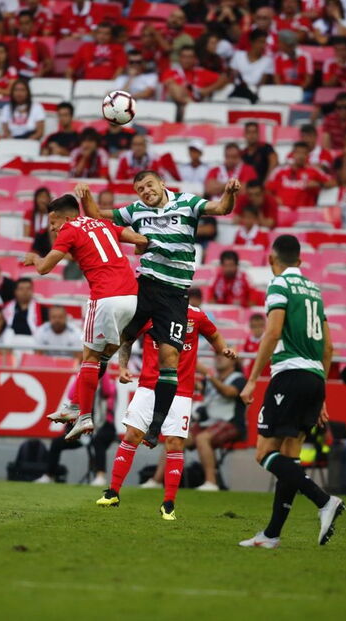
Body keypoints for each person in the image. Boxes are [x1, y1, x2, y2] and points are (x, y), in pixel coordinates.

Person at [84, 171, 240, 447]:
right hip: (145, 286)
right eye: (140, 189)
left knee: (170, 358)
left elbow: (221, 209)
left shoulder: (187, 203)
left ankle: (155, 426)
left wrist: (229, 193)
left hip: (175, 295)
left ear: (162, 183)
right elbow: (97, 214)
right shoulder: (135, 210)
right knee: (115, 339)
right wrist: (85, 195)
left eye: (149, 185)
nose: (145, 191)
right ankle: (83, 400)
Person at [237, 234, 344, 547]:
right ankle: (272, 535)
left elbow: (272, 333)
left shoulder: (279, 284)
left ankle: (324, 501)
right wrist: (321, 394)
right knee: (289, 455)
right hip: (314, 378)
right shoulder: (314, 290)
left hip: (289, 375)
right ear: (300, 259)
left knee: (263, 453)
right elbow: (329, 346)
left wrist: (252, 379)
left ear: (272, 259)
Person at [99, 305, 237, 520]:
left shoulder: (196, 315)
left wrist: (224, 349)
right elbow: (127, 340)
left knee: (174, 443)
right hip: (148, 387)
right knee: (132, 435)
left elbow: (214, 335)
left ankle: (169, 504)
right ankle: (113, 492)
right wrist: (123, 366)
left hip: (180, 390)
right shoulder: (150, 311)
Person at [189, 355, 247, 491]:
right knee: (176, 438)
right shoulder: (210, 378)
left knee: (203, 439)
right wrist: (188, 369)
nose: (218, 358)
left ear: (233, 362)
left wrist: (207, 374)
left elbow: (228, 392)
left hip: (231, 424)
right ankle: (157, 480)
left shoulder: (239, 379)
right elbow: (196, 386)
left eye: (223, 355)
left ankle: (211, 482)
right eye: (217, 355)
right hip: (208, 423)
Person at [267, 141, 334, 209]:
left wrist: (319, 184)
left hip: (305, 212)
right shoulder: (279, 171)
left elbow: (334, 182)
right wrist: (273, 199)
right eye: (298, 152)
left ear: (308, 155)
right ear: (292, 154)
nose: (301, 156)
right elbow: (267, 190)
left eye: (304, 153)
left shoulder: (314, 171)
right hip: (282, 210)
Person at [161, 44, 228, 107]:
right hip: (175, 106)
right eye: (184, 57)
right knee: (174, 88)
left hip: (197, 103)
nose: (187, 60)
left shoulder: (201, 72)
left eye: (190, 57)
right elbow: (170, 86)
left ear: (195, 59)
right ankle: (193, 107)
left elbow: (224, 78)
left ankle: (192, 108)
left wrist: (207, 90)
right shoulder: (171, 71)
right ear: (179, 58)